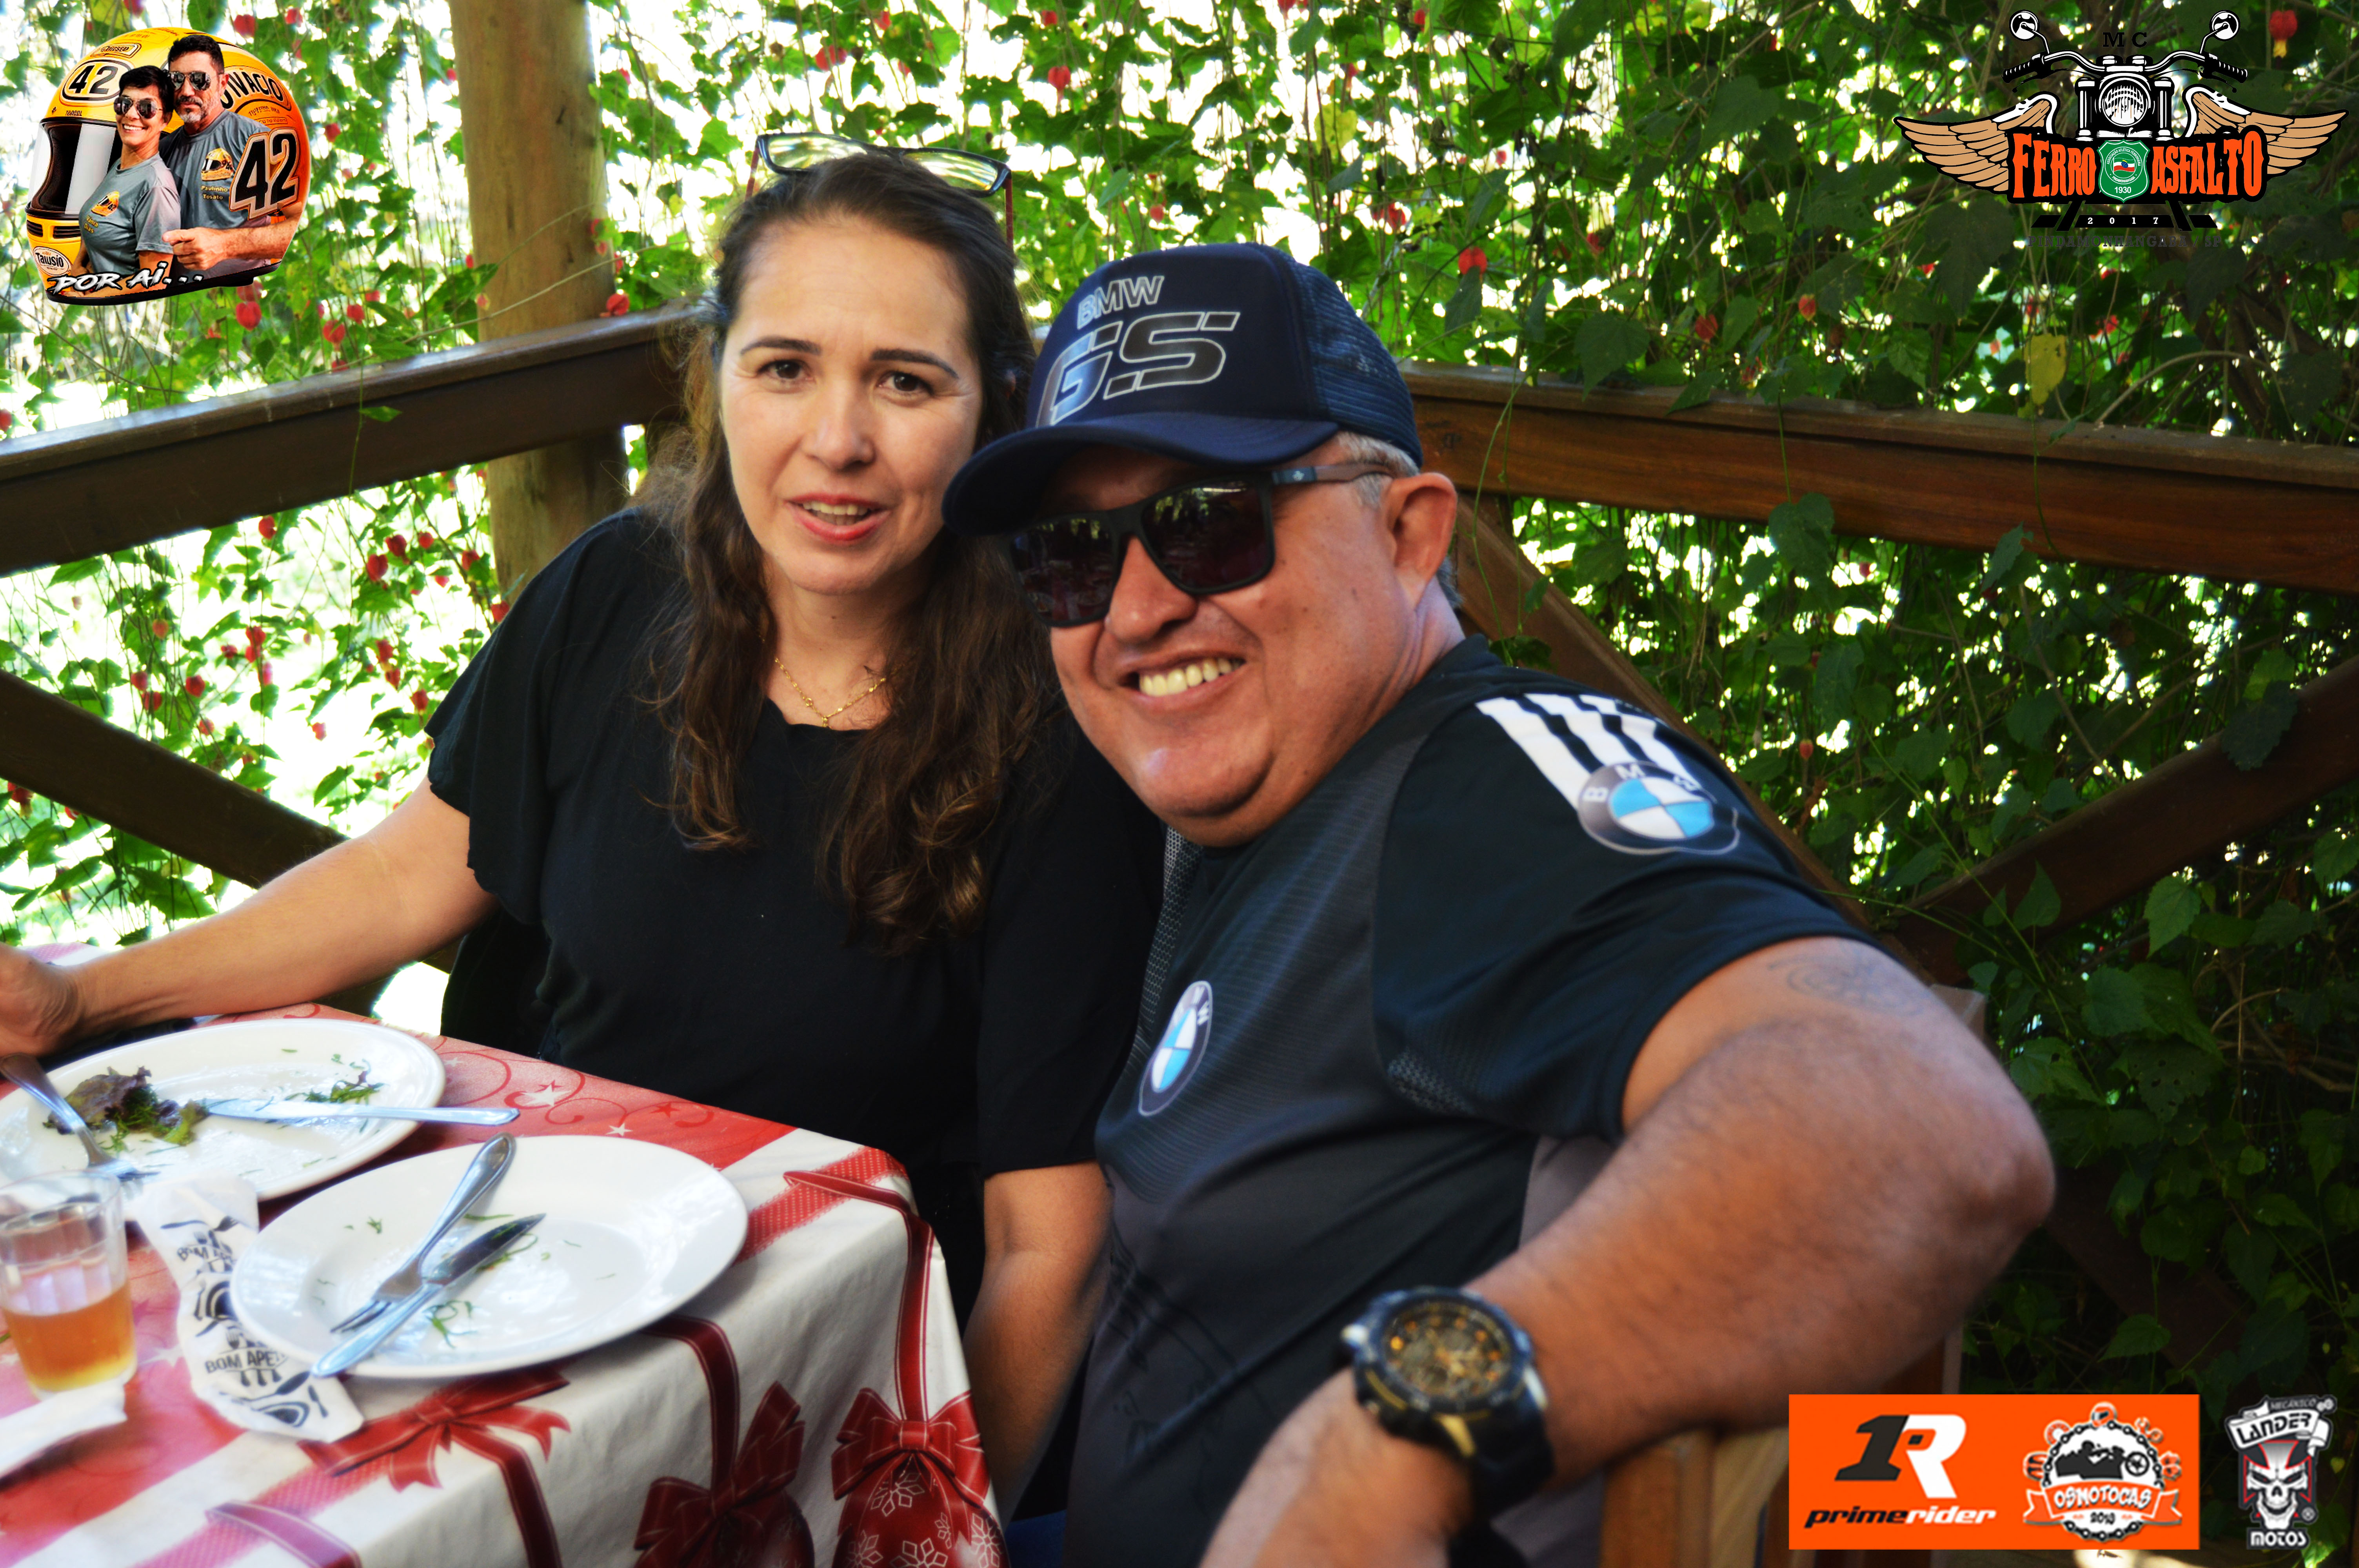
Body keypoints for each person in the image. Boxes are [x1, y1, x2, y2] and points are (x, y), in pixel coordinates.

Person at [0, 153, 1163, 1510]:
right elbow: (408, 872)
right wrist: (84, 996)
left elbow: (1047, 1247)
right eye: (784, 368)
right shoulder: (617, 587)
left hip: (822, 1397)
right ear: (715, 377)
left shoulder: (1052, 722)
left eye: (905, 382)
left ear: (992, 411)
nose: (835, 439)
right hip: (507, 1300)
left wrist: (925, 1521)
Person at [940, 243, 2056, 1566]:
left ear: (1410, 534)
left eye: (1209, 524)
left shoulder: (1488, 792)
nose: (1132, 610)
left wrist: (1387, 1438)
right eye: (1070, 557)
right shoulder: (1269, 784)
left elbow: (1920, 1122)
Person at [157, 33, 294, 279]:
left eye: (199, 80)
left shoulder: (255, 140)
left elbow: (294, 228)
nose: (186, 91)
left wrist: (225, 245)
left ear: (223, 83)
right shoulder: (163, 149)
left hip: (241, 288)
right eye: (177, 80)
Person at [74, 65, 179, 289]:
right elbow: (97, 218)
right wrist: (78, 266)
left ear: (165, 119)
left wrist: (79, 295)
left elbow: (153, 285)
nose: (131, 114)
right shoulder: (120, 166)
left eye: (147, 108)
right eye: (124, 104)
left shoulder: (156, 189)